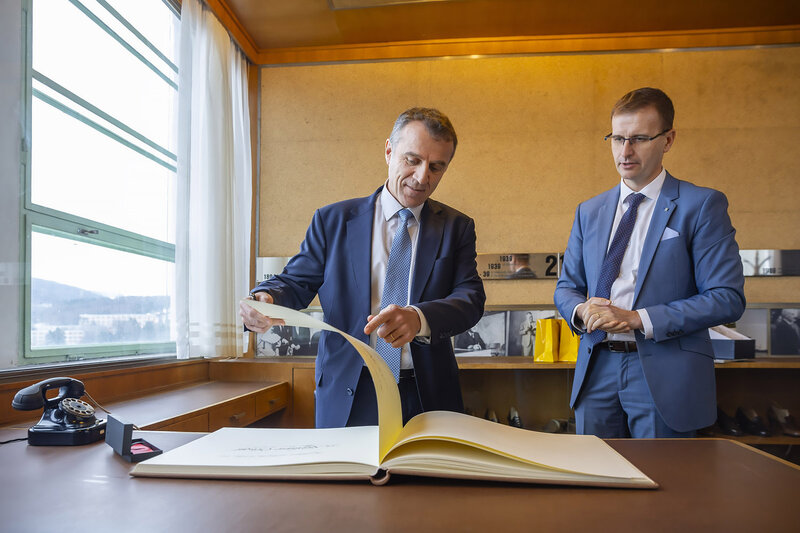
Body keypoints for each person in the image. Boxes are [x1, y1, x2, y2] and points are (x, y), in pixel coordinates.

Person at [240, 107, 485, 428]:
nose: (422, 177)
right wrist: (265, 298)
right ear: (389, 151)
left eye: (436, 167)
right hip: (349, 391)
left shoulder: (457, 227)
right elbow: (295, 282)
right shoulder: (332, 220)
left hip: (426, 393)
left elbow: (470, 300)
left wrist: (419, 318)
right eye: (412, 160)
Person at [554, 87, 745, 438]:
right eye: (617, 138)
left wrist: (638, 318)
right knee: (595, 471)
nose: (625, 151)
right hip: (595, 367)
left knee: (661, 473)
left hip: (665, 372)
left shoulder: (702, 205)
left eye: (639, 139)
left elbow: (726, 298)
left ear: (668, 140)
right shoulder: (589, 211)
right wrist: (582, 310)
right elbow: (567, 287)